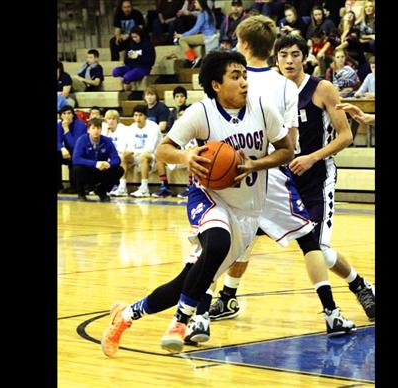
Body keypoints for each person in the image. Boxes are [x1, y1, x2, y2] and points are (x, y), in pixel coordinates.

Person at [101, 50, 293, 357]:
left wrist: (256, 165)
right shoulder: (200, 113)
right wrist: (185, 156)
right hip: (208, 197)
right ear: (216, 85)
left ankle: (125, 316)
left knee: (184, 281)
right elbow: (164, 149)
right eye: (235, 76)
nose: (244, 82)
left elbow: (287, 150)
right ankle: (180, 323)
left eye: (245, 75)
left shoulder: (262, 108)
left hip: (248, 209)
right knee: (216, 242)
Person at [185, 15, 357, 343]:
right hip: (269, 173)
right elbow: (289, 144)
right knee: (309, 240)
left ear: (244, 44)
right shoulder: (284, 85)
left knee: (213, 247)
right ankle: (332, 315)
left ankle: (201, 318)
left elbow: (208, 127)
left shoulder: (229, 75)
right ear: (272, 49)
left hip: (229, 175)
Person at [274, 34, 375, 321]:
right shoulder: (272, 91)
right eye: (284, 55)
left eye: (295, 54)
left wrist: (312, 157)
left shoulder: (322, 88)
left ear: (304, 57)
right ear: (276, 59)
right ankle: (225, 297)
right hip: (283, 179)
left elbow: (345, 137)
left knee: (318, 248)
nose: (289, 60)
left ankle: (359, 287)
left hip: (318, 176)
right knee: (244, 235)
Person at [72, 118, 124, 202]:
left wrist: (108, 164)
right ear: (88, 130)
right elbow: (76, 159)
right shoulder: (82, 140)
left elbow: (117, 159)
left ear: (101, 130)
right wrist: (95, 163)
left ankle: (101, 191)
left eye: (98, 128)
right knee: (77, 168)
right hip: (87, 170)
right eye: (93, 128)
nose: (96, 131)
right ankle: (81, 194)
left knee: (119, 170)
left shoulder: (107, 141)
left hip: (102, 170)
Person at [152, 86, 191, 198]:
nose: (180, 99)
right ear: (174, 99)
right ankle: (164, 187)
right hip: (176, 144)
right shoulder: (172, 112)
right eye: (177, 97)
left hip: (188, 142)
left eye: (182, 96)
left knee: (191, 154)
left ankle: (191, 186)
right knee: (159, 156)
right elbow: (168, 129)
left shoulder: (190, 110)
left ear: (186, 98)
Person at [126, 105, 163, 198]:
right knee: (124, 156)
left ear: (145, 116)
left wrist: (137, 153)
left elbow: (150, 148)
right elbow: (130, 146)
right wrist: (131, 153)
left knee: (144, 156)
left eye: (140, 115)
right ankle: (122, 187)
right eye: (135, 115)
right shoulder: (131, 128)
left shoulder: (153, 126)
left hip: (155, 156)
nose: (138, 118)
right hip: (137, 154)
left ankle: (144, 188)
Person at [174, 0, 217, 68]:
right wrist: (190, 13)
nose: (194, 4)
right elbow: (197, 14)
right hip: (213, 35)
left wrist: (182, 35)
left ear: (200, 3)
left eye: (196, 2)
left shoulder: (202, 14)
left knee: (181, 40)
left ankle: (193, 59)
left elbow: (196, 29)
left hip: (206, 37)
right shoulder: (209, 12)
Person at [112, 26, 156, 91]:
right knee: (116, 71)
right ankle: (124, 84)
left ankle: (126, 86)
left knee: (127, 76)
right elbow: (126, 59)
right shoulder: (130, 44)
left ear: (140, 35)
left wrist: (136, 56)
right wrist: (134, 56)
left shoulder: (148, 45)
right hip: (130, 66)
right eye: (132, 37)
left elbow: (150, 61)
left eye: (136, 37)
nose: (134, 39)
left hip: (143, 68)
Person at [100, 110, 132, 197]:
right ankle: (100, 186)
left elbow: (122, 148)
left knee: (119, 158)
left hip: (123, 154)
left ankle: (122, 187)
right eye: (108, 119)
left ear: (117, 120)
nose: (110, 121)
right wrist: (106, 134)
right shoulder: (105, 131)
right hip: (111, 155)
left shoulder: (123, 129)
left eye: (113, 119)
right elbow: (102, 147)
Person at [57, 105, 87, 193]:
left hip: (80, 153)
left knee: (74, 157)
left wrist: (66, 130)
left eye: (69, 113)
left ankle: (75, 187)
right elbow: (57, 141)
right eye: (64, 113)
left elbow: (75, 146)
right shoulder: (59, 125)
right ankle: (58, 186)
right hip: (67, 152)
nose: (67, 116)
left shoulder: (80, 125)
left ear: (73, 115)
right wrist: (62, 148)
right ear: (61, 116)